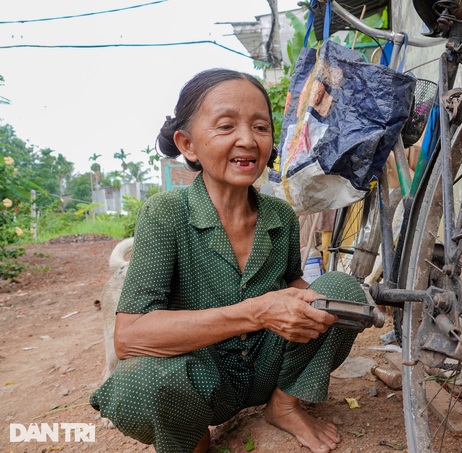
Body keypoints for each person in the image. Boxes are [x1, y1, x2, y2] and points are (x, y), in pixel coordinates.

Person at [90, 68, 367, 453]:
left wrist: (328, 305)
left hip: (266, 368)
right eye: (225, 126)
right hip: (202, 377)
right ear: (187, 144)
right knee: (141, 381)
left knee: (342, 291)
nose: (248, 140)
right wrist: (256, 311)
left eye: (260, 127)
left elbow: (293, 283)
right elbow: (131, 336)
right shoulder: (164, 213)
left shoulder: (281, 216)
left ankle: (283, 406)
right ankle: (191, 435)